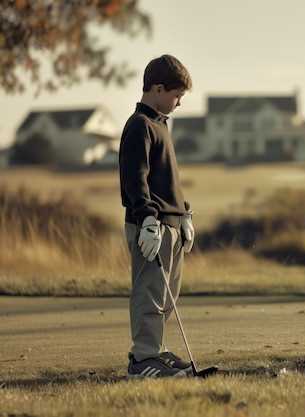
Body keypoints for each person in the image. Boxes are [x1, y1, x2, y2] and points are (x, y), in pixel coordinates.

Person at [119, 54, 195, 378]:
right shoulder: (139, 126)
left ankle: (158, 350)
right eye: (177, 96)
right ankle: (143, 359)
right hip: (151, 226)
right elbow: (135, 179)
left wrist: (185, 214)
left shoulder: (162, 125)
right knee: (149, 293)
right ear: (158, 88)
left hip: (172, 225)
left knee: (166, 295)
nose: (179, 103)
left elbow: (169, 181)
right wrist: (147, 219)